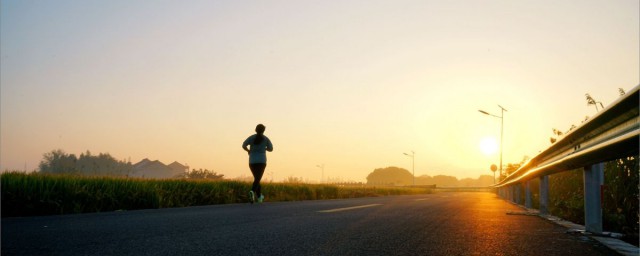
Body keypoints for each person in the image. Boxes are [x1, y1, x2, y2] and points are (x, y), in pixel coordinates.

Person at [242, 124, 273, 203]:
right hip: (261, 161)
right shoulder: (266, 139)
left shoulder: (251, 138)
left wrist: (248, 151)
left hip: (252, 161)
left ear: (255, 129)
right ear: (263, 131)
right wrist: (265, 148)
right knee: (257, 179)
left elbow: (243, 145)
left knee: (257, 179)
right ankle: (252, 191)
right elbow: (271, 149)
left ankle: (259, 197)